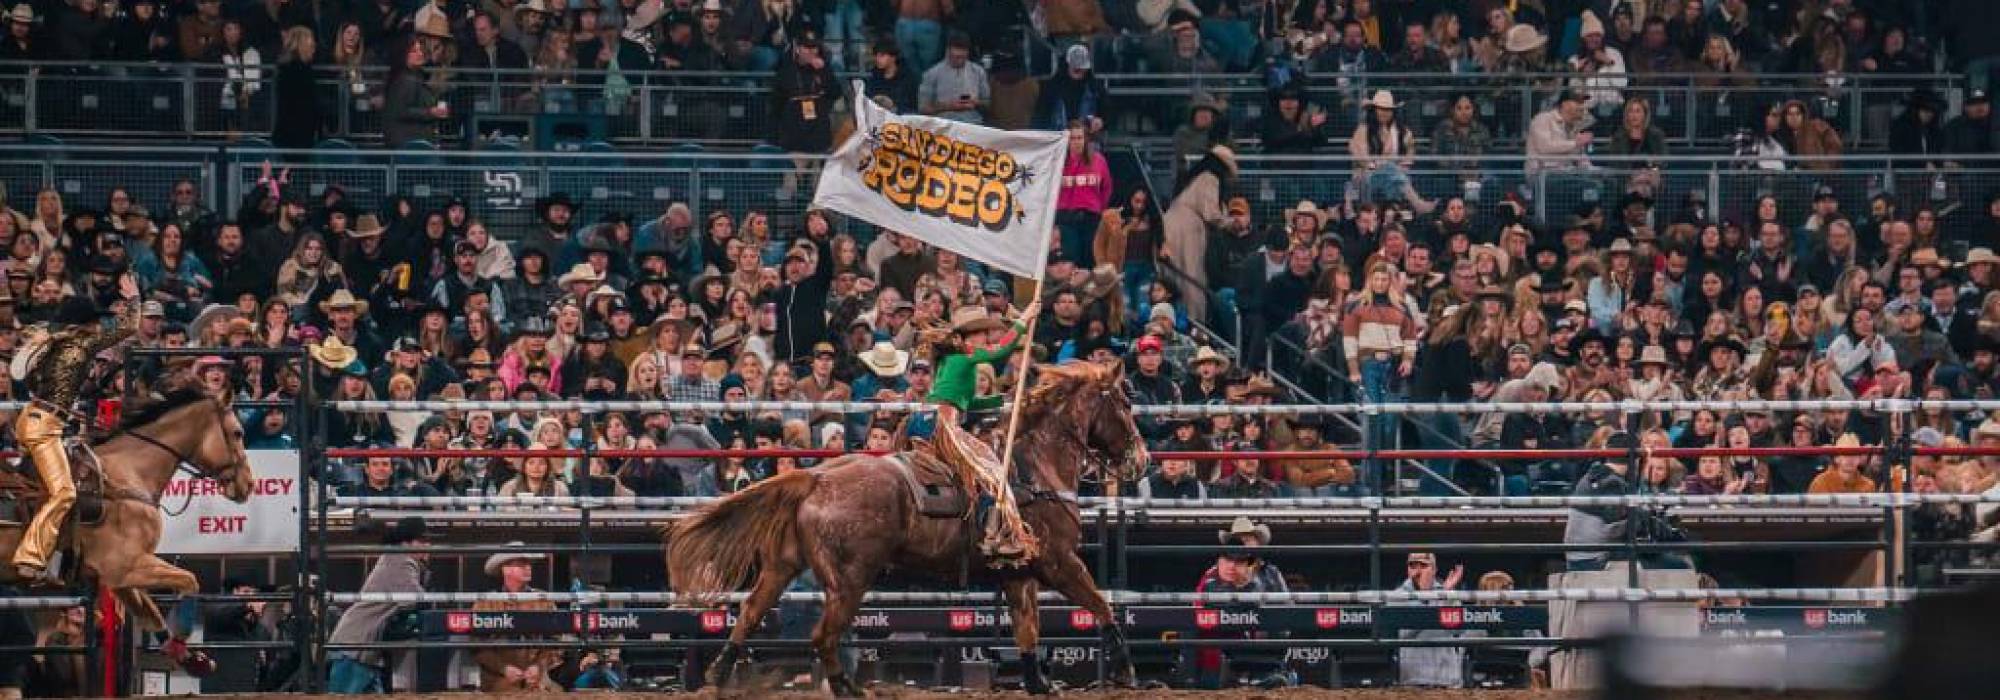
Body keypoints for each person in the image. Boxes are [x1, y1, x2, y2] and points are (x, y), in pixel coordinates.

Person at [10, 277, 139, 585]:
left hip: (42, 419)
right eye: (96, 322)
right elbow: (128, 329)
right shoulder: (82, 344)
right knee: (65, 492)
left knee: (69, 487)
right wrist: (133, 300)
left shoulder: (53, 344)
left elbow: (26, 378)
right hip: (44, 427)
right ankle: (30, 556)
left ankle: (54, 560)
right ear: (88, 325)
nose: (99, 327)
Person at [923, 302, 1041, 566]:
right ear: (964, 338)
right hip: (943, 424)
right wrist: (1025, 317)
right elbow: (1002, 350)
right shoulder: (965, 355)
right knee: (987, 466)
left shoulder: (951, 361)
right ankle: (995, 530)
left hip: (927, 419)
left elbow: (965, 402)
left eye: (984, 333)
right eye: (978, 333)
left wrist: (1002, 401)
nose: (984, 338)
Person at [326, 517, 429, 694]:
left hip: (361, 648)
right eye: (422, 540)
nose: (427, 545)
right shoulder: (400, 561)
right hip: (356, 647)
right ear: (406, 543)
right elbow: (416, 599)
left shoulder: (395, 558)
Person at [1191, 517, 1289, 688]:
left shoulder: (1271, 572)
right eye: (1240, 540)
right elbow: (1199, 607)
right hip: (1226, 646)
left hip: (1266, 643)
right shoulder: (1218, 572)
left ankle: (1269, 675)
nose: (1244, 545)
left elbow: (1288, 610)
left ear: (1257, 544)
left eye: (1249, 539)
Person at [471, 546, 562, 691]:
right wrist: (503, 668)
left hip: (538, 678)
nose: (528, 568)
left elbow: (556, 640)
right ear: (505, 570)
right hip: (498, 678)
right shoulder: (485, 602)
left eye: (529, 564)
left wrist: (539, 666)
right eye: (521, 564)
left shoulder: (544, 600)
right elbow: (476, 645)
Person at [1563, 431, 1635, 572]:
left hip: (1579, 557)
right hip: (1591, 560)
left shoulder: (1593, 474)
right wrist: (1639, 519)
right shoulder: (1611, 483)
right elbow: (1614, 530)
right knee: (1668, 562)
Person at [1396, 552, 1467, 688]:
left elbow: (1459, 630)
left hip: (1447, 677)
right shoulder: (1397, 595)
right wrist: (1428, 598)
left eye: (1423, 566)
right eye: (1413, 566)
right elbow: (1405, 634)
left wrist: (1444, 595)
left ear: (1434, 569)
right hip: (1412, 678)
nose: (1418, 571)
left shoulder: (1448, 593)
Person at [271, 26, 322, 150]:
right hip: (296, 135)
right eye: (311, 40)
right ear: (301, 43)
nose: (314, 45)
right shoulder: (295, 69)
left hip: (292, 132)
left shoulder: (287, 68)